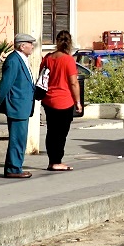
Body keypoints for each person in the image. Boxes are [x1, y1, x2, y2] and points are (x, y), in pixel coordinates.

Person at [0, 33, 37, 179]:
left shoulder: (22, 59)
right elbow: (6, 83)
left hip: (23, 105)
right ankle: (13, 168)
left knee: (20, 138)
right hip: (17, 105)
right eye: (30, 43)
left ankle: (16, 166)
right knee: (17, 139)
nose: (32, 46)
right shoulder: (13, 60)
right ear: (22, 45)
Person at [39, 30, 81, 171]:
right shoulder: (68, 60)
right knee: (61, 133)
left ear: (57, 42)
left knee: (51, 131)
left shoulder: (48, 58)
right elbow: (74, 83)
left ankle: (52, 160)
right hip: (64, 101)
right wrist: (78, 102)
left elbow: (42, 76)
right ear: (70, 43)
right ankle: (57, 161)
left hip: (48, 100)